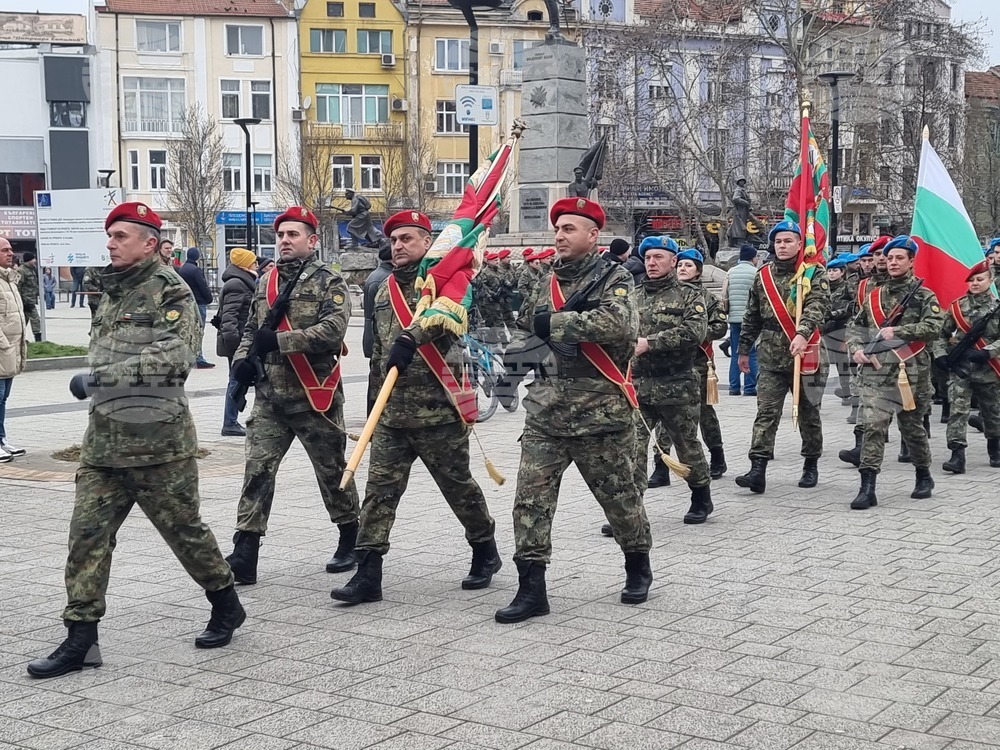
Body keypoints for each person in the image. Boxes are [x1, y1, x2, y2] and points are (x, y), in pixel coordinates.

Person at [27, 202, 245, 680]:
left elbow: (174, 360)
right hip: (104, 446)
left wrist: (99, 381)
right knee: (86, 541)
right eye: (109, 236)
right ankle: (81, 638)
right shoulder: (108, 291)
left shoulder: (172, 292)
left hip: (159, 446)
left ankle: (226, 604)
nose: (110, 243)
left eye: (121, 236)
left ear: (149, 241)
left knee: (186, 535)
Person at [494, 197, 653, 624]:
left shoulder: (615, 276)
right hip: (545, 412)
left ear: (592, 235)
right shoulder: (544, 278)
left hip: (599, 412)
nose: (560, 236)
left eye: (569, 229)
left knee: (619, 499)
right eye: (558, 228)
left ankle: (637, 564)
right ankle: (531, 588)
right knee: (529, 503)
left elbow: (620, 324)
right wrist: (511, 374)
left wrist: (558, 323)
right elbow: (528, 324)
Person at [332, 210, 501, 605]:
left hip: (437, 409)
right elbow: (377, 355)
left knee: (458, 487)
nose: (399, 246)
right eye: (394, 240)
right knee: (379, 493)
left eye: (408, 238)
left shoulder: (445, 279)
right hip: (392, 414)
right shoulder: (382, 287)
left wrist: (414, 336)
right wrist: (373, 405)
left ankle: (484, 549)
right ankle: (368, 573)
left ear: (428, 242)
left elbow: (445, 322)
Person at [225, 207, 360, 584]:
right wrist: (242, 362)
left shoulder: (328, 280)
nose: (285, 240)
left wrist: (281, 341)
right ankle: (245, 551)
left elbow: (333, 331)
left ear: (312, 240)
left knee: (332, 473)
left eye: (293, 234)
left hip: (314, 395)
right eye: (281, 234)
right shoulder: (266, 281)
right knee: (257, 472)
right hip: (270, 397)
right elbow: (252, 327)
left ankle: (351, 535)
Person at [846, 235, 944, 509]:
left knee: (912, 428)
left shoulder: (925, 295)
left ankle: (923, 475)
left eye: (899, 258)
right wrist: (855, 348)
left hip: (911, 372)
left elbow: (934, 327)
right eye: (889, 258)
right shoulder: (874, 295)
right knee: (873, 426)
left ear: (912, 261)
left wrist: (898, 331)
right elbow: (855, 326)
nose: (893, 262)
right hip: (876, 372)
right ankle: (868, 486)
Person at [735, 221, 830, 493]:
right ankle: (758, 468)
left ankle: (810, 463)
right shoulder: (762, 275)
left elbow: (817, 306)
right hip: (770, 356)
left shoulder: (813, 273)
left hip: (807, 353)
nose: (783, 246)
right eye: (778, 241)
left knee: (809, 414)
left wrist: (802, 333)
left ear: (800, 244)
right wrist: (743, 349)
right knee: (766, 413)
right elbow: (751, 315)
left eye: (789, 241)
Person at [628, 238, 713, 525]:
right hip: (639, 384)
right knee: (632, 447)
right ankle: (630, 511)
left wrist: (649, 343)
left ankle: (701, 496)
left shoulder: (688, 295)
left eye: (659, 258)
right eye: (648, 257)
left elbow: (695, 332)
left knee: (686, 444)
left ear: (673, 261)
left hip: (677, 382)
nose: (651, 263)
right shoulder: (632, 295)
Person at [934, 260, 1000, 474]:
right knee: (958, 411)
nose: (975, 283)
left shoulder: (996, 307)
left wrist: (988, 352)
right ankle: (957, 454)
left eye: (980, 279)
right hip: (961, 370)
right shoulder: (957, 307)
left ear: (990, 281)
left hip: (989, 369)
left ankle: (995, 449)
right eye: (971, 280)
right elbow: (941, 335)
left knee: (993, 413)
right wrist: (941, 355)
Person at [675, 247, 729, 479]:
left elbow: (720, 326)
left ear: (698, 271)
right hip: (670, 362)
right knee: (668, 412)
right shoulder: (669, 294)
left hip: (698, 362)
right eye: (680, 265)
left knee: (704, 412)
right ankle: (661, 463)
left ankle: (717, 454)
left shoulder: (708, 298)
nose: (683, 269)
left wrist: (693, 332)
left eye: (688, 265)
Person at [216, 247, 258, 437]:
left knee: (238, 380)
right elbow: (229, 319)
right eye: (254, 262)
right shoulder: (237, 284)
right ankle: (230, 422)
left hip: (241, 340)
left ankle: (232, 421)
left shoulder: (243, 282)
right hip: (238, 342)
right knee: (235, 380)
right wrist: (237, 347)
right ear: (245, 265)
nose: (257, 265)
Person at [0, 238, 27, 462]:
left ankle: (1, 439)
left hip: (10, 352)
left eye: (10, 249)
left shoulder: (9, 279)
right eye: (5, 250)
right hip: (2, 349)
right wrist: (5, 344)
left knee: (3, 398)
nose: (11, 253)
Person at [723, 244, 759, 396]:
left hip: (734, 318)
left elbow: (724, 295)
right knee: (751, 353)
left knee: (736, 353)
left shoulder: (731, 272)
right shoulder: (756, 272)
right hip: (751, 319)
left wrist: (728, 312)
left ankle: (734, 387)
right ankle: (750, 387)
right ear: (753, 258)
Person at [824, 256, 855, 406]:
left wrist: (835, 314)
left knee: (842, 363)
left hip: (841, 328)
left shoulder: (847, 287)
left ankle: (847, 392)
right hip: (826, 329)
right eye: (829, 270)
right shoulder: (824, 287)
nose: (831, 273)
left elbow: (852, 308)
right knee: (824, 363)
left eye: (835, 270)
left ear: (842, 272)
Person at [177, 248, 215, 369]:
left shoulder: (182, 269)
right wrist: (209, 298)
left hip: (186, 302)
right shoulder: (195, 270)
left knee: (189, 331)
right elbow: (202, 286)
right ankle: (199, 358)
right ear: (197, 256)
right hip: (199, 303)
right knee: (199, 331)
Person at [17, 252, 40, 342]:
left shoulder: (32, 269)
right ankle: (38, 338)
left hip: (31, 299)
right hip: (26, 301)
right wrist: (22, 301)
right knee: (35, 319)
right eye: (33, 259)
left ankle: (20, 338)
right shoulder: (21, 270)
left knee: (24, 321)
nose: (35, 261)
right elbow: (18, 286)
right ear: (28, 260)